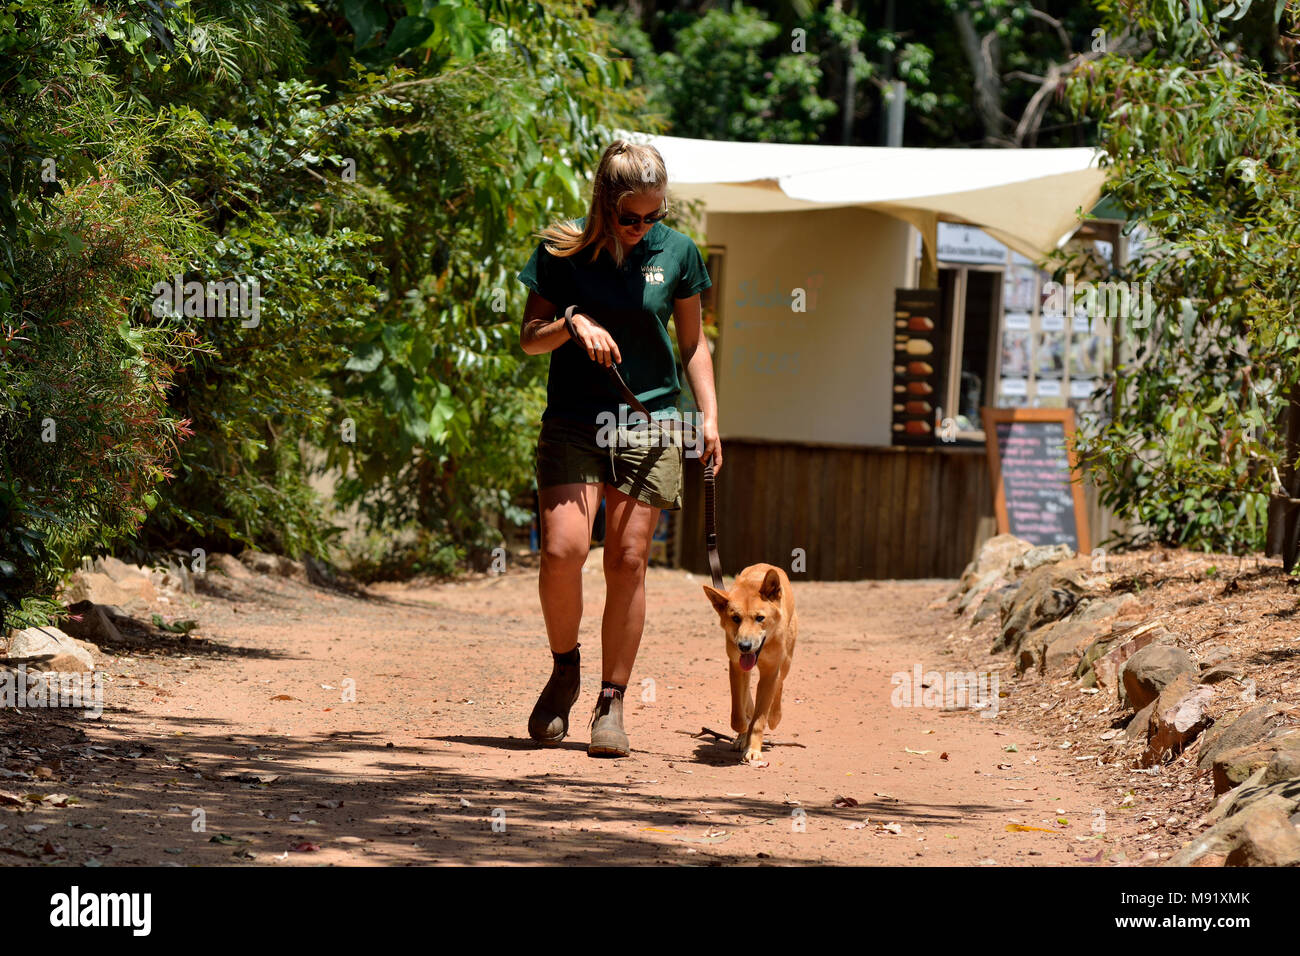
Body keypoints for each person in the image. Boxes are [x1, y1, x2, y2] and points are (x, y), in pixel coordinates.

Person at [516, 139, 722, 757]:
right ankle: (564, 668)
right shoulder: (562, 251)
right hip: (575, 419)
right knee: (562, 550)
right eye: (630, 217)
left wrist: (709, 417)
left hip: (650, 418)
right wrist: (572, 322)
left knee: (627, 560)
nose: (641, 228)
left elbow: (692, 344)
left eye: (653, 216)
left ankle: (612, 701)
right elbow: (529, 340)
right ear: (604, 205)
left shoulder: (678, 252)